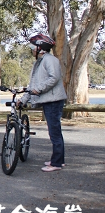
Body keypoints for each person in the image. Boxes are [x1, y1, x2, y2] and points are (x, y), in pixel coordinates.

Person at [18, 34, 67, 172]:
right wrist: (23, 99)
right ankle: (59, 160)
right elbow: (33, 84)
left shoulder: (50, 60)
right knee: (54, 132)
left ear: (41, 48)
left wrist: (38, 90)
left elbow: (54, 78)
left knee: (54, 132)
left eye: (34, 47)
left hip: (53, 100)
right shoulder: (40, 62)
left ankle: (56, 163)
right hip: (48, 100)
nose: (32, 50)